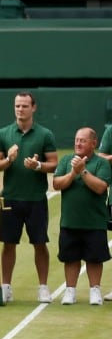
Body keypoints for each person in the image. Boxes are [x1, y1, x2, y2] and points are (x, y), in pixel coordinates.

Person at [0, 92, 58, 303]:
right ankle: (6, 287)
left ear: (33, 108)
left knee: (39, 243)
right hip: (10, 198)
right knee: (8, 244)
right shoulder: (3, 133)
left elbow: (54, 163)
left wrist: (38, 166)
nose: (20, 109)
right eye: (17, 106)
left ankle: (43, 287)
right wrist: (9, 160)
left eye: (24, 106)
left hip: (36, 199)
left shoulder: (45, 135)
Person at [53, 128, 111, 306]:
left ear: (93, 144)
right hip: (70, 221)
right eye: (77, 140)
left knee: (94, 259)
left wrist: (83, 171)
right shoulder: (65, 160)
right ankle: (70, 291)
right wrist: (73, 172)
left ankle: (95, 291)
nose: (78, 143)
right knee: (70, 258)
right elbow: (56, 183)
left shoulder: (101, 163)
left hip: (94, 222)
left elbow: (100, 187)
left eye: (83, 141)